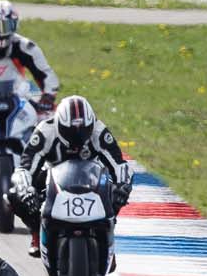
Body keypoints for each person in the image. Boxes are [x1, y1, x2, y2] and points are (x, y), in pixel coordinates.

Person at [13, 94, 133, 257]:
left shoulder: (98, 130)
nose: (77, 136)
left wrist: (123, 186)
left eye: (83, 131)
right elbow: (24, 167)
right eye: (70, 131)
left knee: (116, 192)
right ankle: (36, 231)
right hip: (52, 179)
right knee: (14, 195)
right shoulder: (45, 131)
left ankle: (106, 238)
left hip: (91, 178)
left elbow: (119, 164)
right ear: (59, 124)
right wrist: (26, 190)